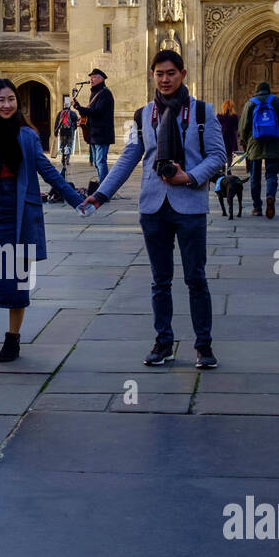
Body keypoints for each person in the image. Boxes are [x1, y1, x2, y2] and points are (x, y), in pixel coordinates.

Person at [80, 50, 227, 371]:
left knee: (196, 278)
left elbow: (218, 156)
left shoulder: (202, 112)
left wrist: (190, 177)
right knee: (160, 280)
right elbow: (129, 158)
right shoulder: (143, 115)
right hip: (153, 207)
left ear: (183, 74)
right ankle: (164, 342)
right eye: (159, 73)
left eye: (171, 73)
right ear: (153, 75)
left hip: (189, 205)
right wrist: (101, 195)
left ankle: (204, 345)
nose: (165, 79)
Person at [0, 78, 84, 365]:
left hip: (17, 215)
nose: (7, 104)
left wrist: (75, 198)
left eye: (11, 99)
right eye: (1, 100)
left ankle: (13, 339)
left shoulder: (27, 136)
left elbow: (47, 170)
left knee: (15, 283)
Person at [238, 80, 279, 219]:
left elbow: (243, 126)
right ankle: (270, 196)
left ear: (256, 91)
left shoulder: (250, 103)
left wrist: (245, 142)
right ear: (268, 91)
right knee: (271, 174)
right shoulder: (277, 102)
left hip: (254, 143)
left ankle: (257, 207)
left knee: (254, 176)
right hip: (274, 142)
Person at [73, 69, 116, 184]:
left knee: (100, 161)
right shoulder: (95, 93)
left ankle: (104, 189)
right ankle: (103, 185)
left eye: (94, 77)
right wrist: (81, 119)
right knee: (97, 162)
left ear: (101, 78)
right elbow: (91, 113)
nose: (91, 79)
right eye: (91, 77)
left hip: (102, 133)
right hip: (94, 134)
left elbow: (98, 112)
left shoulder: (105, 93)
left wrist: (79, 107)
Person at [218, 99, 240, 171]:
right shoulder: (234, 116)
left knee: (222, 153)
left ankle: (222, 167)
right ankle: (229, 168)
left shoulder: (219, 116)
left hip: (222, 136)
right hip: (231, 137)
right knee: (229, 155)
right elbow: (236, 127)